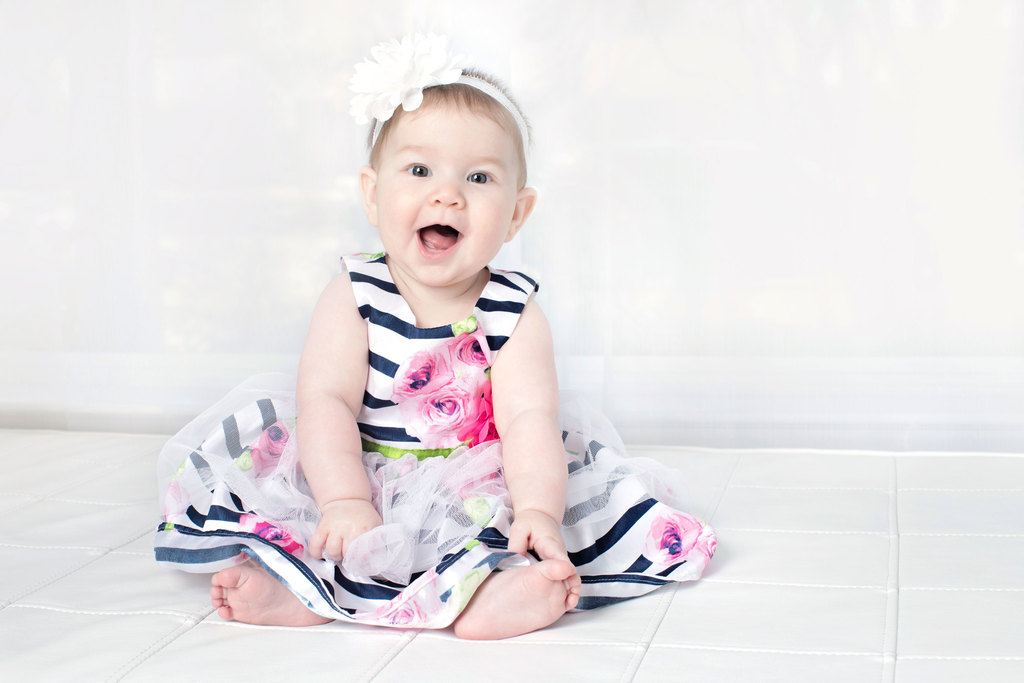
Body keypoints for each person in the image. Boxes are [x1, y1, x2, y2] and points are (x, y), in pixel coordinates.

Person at [153, 32, 717, 640]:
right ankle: (299, 593)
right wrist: (345, 498)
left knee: (506, 533)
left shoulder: (513, 312)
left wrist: (536, 512)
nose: (446, 192)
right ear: (373, 193)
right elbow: (327, 401)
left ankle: (495, 596)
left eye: (478, 177)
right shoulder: (355, 294)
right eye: (419, 169)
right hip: (350, 465)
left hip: (474, 481)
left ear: (516, 215)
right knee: (319, 523)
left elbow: (528, 420)